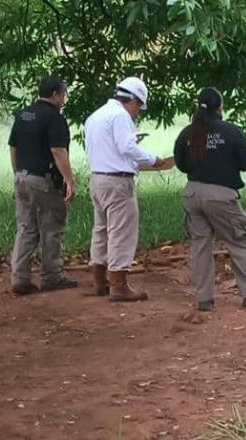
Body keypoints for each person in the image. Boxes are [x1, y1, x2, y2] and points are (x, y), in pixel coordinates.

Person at [173, 87, 246, 311]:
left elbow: (181, 164)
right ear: (220, 106)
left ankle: (204, 299)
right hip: (221, 196)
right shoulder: (231, 132)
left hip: (192, 193)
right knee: (238, 241)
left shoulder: (188, 133)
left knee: (200, 246)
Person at [84, 77, 165, 302]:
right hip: (118, 182)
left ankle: (99, 280)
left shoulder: (96, 116)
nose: (137, 112)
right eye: (138, 107)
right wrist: (153, 159)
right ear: (133, 100)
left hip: (98, 178)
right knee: (121, 232)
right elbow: (126, 146)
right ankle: (118, 285)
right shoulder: (120, 116)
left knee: (101, 230)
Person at [8, 75, 78, 295]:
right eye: (63, 94)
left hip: (22, 176)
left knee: (26, 228)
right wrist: (69, 180)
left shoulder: (23, 115)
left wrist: (18, 172)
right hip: (44, 180)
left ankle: (19, 277)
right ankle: (52, 275)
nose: (64, 99)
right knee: (52, 226)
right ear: (56, 94)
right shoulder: (54, 118)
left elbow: (13, 147)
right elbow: (58, 151)